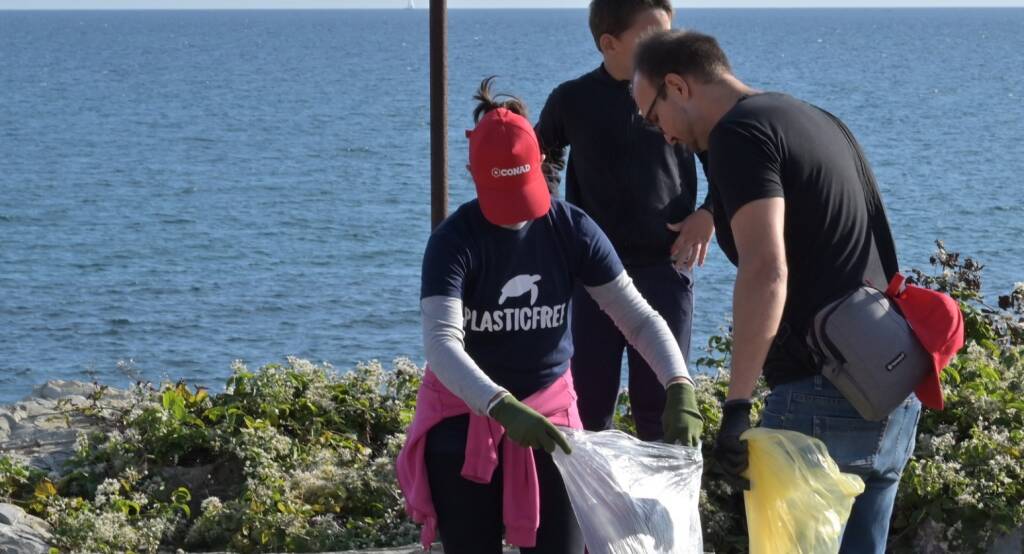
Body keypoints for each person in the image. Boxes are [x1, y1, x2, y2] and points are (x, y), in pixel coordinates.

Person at [630, 30, 922, 553]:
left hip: (821, 391)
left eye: (654, 117)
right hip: (891, 385)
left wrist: (737, 405)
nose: (664, 137)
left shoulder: (738, 136)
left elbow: (766, 269)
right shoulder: (813, 118)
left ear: (677, 86)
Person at [395, 78, 704, 554]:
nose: (518, 216)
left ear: (540, 164)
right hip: (464, 418)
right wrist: (498, 404)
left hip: (551, 421)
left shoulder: (572, 230)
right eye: (505, 202)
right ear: (475, 176)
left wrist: (678, 383)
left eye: (525, 196)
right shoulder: (454, 243)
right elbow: (442, 344)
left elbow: (637, 318)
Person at [534, 0, 713, 441]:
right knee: (590, 409)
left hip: (665, 267)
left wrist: (709, 214)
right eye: (653, 38)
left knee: (663, 407)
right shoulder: (572, 99)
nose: (667, 47)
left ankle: (659, 510)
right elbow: (542, 155)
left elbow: (728, 162)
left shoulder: (681, 93)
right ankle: (593, 509)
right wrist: (552, 214)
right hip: (594, 277)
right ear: (608, 43)